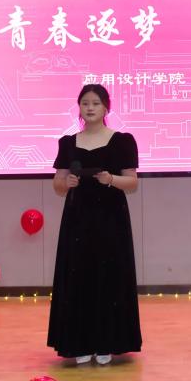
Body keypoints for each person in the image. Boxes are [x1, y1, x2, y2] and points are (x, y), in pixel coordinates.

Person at [49, 84, 142, 365]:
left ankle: (106, 344)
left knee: (109, 278)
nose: (90, 108)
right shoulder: (68, 143)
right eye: (85, 103)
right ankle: (78, 343)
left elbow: (132, 182)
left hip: (111, 220)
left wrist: (111, 179)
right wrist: (66, 182)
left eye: (96, 103)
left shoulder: (122, 141)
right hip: (77, 220)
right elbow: (57, 184)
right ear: (79, 107)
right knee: (78, 278)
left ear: (106, 108)